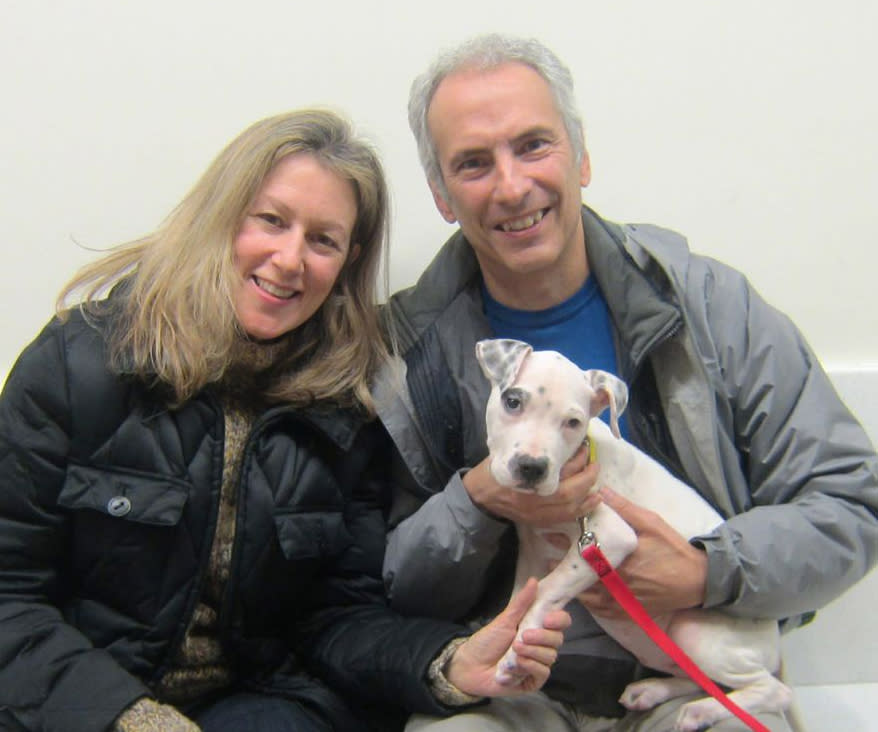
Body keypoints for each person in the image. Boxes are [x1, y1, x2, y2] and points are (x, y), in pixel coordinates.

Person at [0, 109, 573, 732]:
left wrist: (447, 663)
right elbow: (10, 597)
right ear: (222, 216)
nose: (289, 258)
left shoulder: (347, 406)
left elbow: (338, 618)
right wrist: (132, 720)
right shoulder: (75, 363)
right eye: (271, 221)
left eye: (323, 240)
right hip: (75, 706)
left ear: (347, 261)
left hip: (254, 708)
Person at [375, 33, 878, 732]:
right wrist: (478, 502)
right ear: (441, 195)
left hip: (688, 672)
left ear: (581, 156)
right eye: (472, 163)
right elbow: (385, 583)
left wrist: (709, 570)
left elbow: (852, 502)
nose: (512, 185)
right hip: (507, 694)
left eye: (534, 145)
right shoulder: (404, 355)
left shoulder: (709, 309)